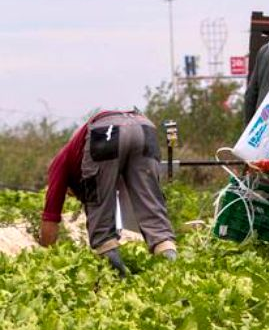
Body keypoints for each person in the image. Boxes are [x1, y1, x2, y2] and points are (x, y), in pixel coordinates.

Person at [39, 110, 177, 275]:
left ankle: (118, 277)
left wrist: (45, 260)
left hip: (107, 131)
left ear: (68, 186)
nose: (75, 196)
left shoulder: (59, 165)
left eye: (71, 194)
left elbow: (50, 218)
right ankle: (171, 268)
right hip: (144, 127)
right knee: (155, 219)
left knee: (101, 227)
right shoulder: (80, 156)